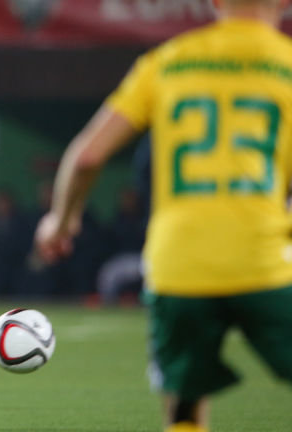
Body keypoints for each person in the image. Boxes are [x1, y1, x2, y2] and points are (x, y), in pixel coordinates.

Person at [35, 1, 292, 431]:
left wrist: (61, 221)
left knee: (186, 404)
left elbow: (87, 157)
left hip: (178, 266)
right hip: (263, 261)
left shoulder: (166, 63)